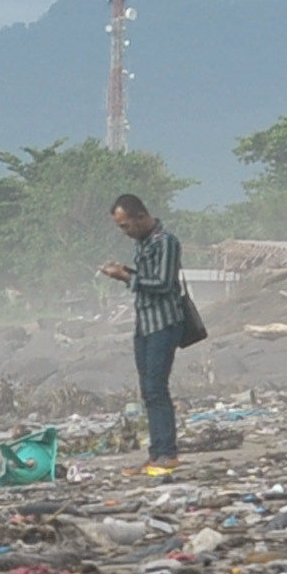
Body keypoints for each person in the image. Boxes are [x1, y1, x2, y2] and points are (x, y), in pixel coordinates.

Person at [100, 194, 185, 474]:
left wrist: (126, 277)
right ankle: (157, 453)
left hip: (164, 323)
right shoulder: (143, 243)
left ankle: (167, 453)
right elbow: (146, 279)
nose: (125, 232)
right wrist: (128, 272)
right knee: (148, 391)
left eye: (126, 226)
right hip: (144, 323)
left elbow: (162, 283)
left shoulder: (166, 241)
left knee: (157, 388)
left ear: (140, 216)